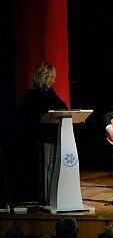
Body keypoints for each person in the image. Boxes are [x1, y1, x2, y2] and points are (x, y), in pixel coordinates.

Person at [20, 62, 68, 204]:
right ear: (45, 77)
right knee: (45, 168)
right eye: (52, 76)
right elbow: (29, 117)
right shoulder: (32, 95)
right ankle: (44, 198)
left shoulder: (50, 92)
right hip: (41, 137)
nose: (55, 79)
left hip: (52, 136)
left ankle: (51, 197)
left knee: (52, 168)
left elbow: (63, 107)